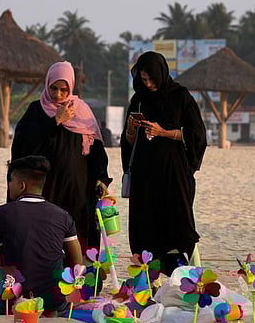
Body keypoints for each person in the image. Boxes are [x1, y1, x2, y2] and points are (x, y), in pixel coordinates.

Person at [11, 61, 111, 254]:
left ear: (71, 87)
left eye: (63, 90)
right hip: (47, 190)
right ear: (47, 85)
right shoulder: (35, 111)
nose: (58, 95)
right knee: (47, 242)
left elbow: (97, 152)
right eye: (53, 88)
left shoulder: (83, 112)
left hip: (78, 192)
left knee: (77, 243)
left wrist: (102, 179)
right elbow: (23, 149)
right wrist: (56, 121)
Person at [120, 51, 207, 275]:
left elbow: (197, 135)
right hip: (145, 175)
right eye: (144, 79)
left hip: (174, 173)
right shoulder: (138, 100)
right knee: (146, 224)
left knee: (179, 223)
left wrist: (163, 132)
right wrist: (131, 128)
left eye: (152, 79)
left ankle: (187, 273)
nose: (149, 84)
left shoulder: (180, 96)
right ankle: (149, 276)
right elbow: (128, 142)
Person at [0, 155, 83, 315]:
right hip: (53, 300)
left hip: (12, 298)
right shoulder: (62, 216)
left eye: (11, 181)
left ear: (21, 185)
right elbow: (77, 261)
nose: (9, 185)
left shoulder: (0, 214)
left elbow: (1, 260)